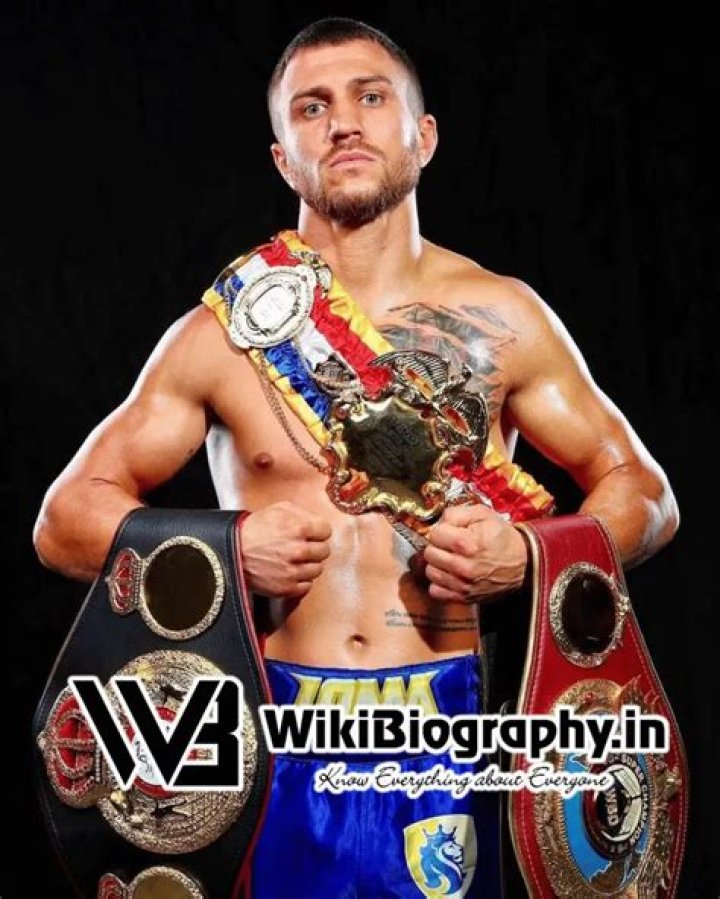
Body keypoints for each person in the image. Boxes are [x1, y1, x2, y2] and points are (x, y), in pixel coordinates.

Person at [33, 17, 679, 899]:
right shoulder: (221, 338)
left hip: (451, 729)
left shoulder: (506, 318)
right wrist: (225, 548)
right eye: (312, 107)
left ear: (424, 135)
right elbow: (64, 521)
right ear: (282, 157)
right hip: (271, 728)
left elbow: (647, 494)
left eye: (371, 98)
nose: (343, 122)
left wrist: (531, 555)